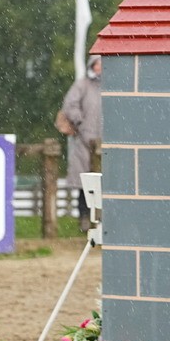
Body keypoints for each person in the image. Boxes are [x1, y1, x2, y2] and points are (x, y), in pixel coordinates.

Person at [62, 55, 103, 232]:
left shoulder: (113, 85)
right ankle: (85, 219)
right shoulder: (82, 85)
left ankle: (102, 220)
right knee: (84, 185)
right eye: (98, 63)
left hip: (106, 143)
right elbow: (70, 105)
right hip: (85, 142)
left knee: (105, 183)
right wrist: (79, 121)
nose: (100, 67)